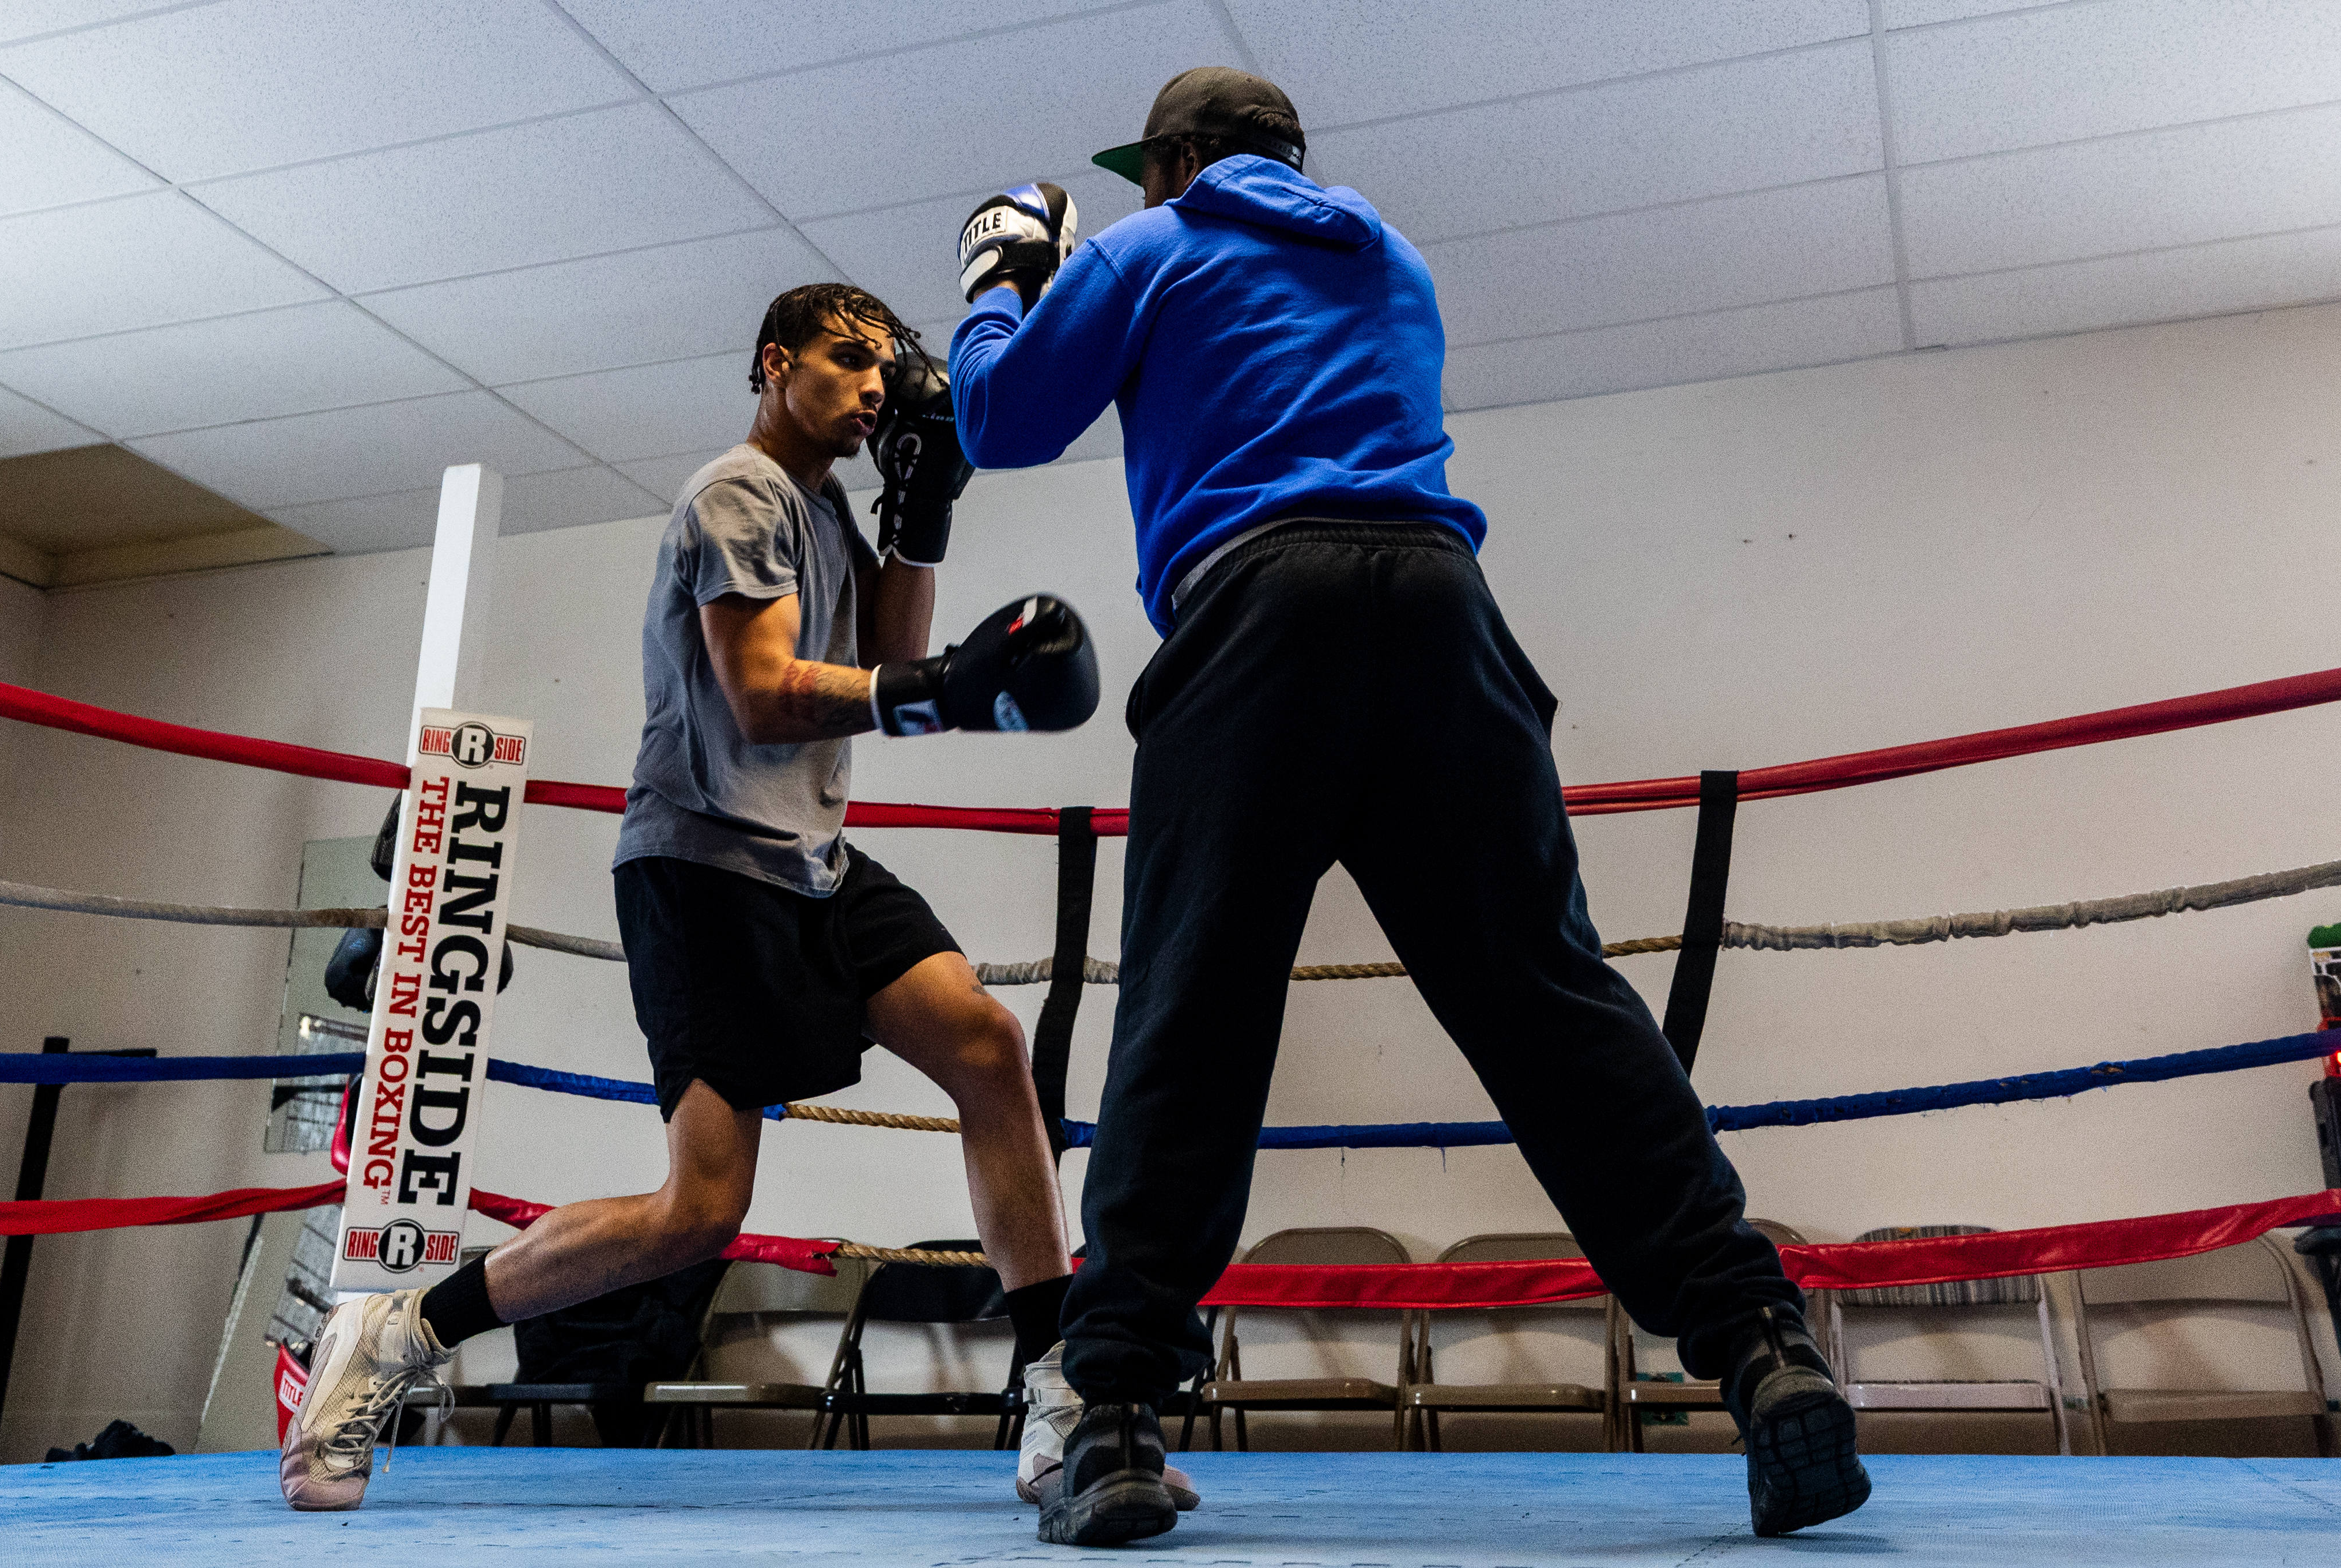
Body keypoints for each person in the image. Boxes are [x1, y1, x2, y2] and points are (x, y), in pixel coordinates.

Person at [945, 69, 1873, 1547]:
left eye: (1149, 171)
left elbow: (996, 418)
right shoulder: (1394, 256)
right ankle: (1765, 1346)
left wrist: (1000, 278)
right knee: (1554, 1005)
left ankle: (1113, 1415)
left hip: (1253, 610)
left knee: (1191, 1012)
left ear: (1177, 163)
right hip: (1445, 616)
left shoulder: (1152, 246)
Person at [280, 283, 1173, 1512]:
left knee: (987, 1043)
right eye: (848, 360)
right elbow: (762, 694)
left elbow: (888, 655)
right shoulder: (738, 493)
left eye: (885, 370)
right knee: (697, 1210)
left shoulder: (821, 512)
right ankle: (398, 1327)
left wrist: (925, 511)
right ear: (774, 363)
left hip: (811, 857)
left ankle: (1051, 1381)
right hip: (703, 867)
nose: (874, 386)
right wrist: (944, 687)